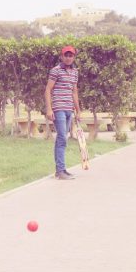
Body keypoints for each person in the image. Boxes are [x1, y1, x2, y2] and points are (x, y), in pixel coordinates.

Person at [44, 45, 81, 180]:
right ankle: (61, 171)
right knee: (62, 138)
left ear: (74, 57)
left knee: (61, 138)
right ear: (62, 56)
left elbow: (74, 92)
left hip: (69, 109)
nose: (68, 58)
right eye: (66, 55)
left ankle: (60, 170)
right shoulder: (56, 71)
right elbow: (48, 90)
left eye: (71, 55)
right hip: (58, 108)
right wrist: (49, 109)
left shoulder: (75, 72)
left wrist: (78, 111)